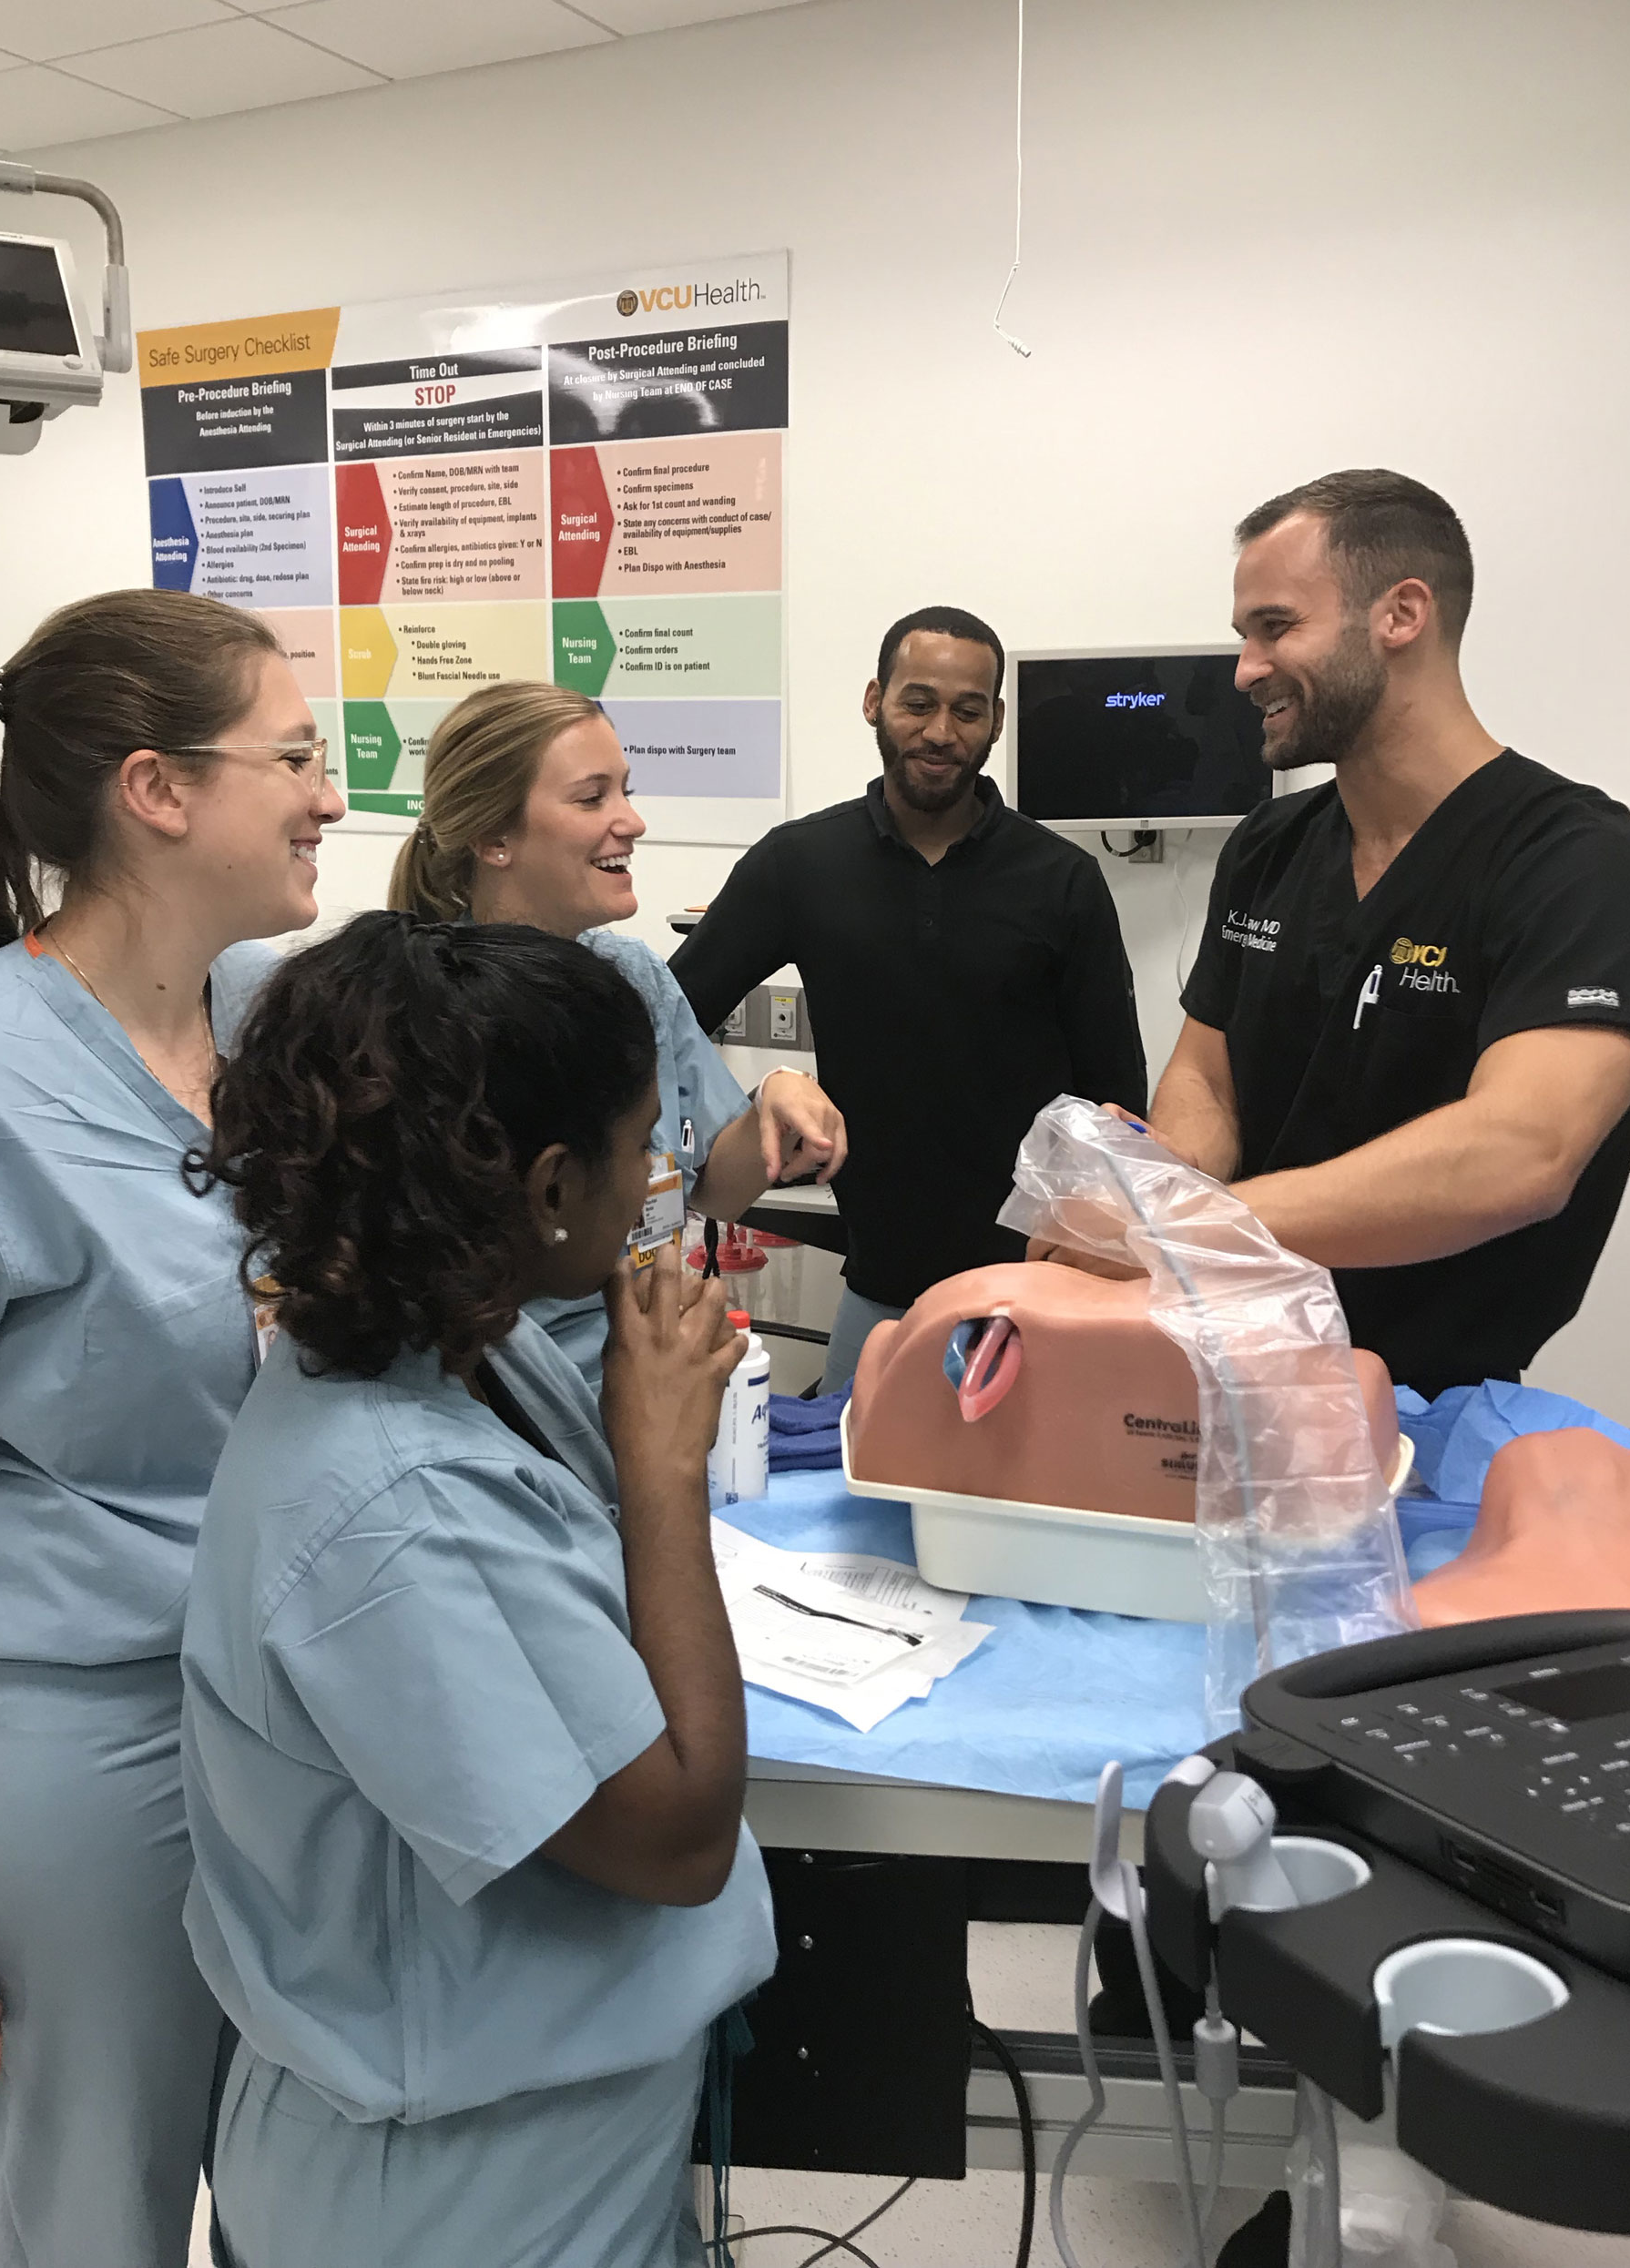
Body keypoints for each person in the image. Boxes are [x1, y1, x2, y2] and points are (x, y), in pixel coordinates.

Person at [182, 913, 777, 2268]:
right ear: (556, 1181)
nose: (659, 1182)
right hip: (448, 2191)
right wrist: (664, 1463)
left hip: (533, 2128)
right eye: (644, 1149)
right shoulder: (393, 1505)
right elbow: (677, 1835)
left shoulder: (448, 1355)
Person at [0, 591, 343, 2268]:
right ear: (158, 788)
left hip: (293, 1714)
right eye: (294, 755)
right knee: (98, 2223)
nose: (331, 793)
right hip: (76, 1743)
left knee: (301, 2196)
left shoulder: (277, 1018)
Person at [1063, 471, 1630, 1400]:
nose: (1243, 669)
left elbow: (1520, 1152)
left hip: (1433, 1407)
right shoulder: (1269, 846)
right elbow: (1207, 1077)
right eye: (1243, 635)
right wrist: (1153, 1184)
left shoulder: (1576, 864)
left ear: (1399, 614)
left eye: (1274, 627)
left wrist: (1188, 1230)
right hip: (1234, 1375)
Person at [670, 605, 1148, 1392]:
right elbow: (669, 1012)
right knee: (853, 1489)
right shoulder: (801, 864)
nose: (940, 731)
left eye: (968, 710)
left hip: (1035, 1297)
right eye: (918, 702)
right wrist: (755, 1107)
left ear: (996, 720)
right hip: (876, 1293)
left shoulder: (1062, 881)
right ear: (874, 701)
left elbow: (1116, 1105)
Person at [390, 681, 847, 1385]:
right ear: (492, 837)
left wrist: (774, 1105)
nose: (631, 821)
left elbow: (716, 1189)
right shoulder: (427, 1011)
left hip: (647, 1373)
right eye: (591, 797)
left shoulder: (631, 976)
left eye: (625, 792)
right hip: (506, 1398)